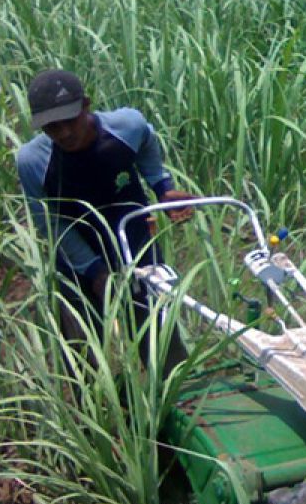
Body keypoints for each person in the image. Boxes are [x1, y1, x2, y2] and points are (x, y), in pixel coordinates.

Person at [16, 68, 190, 372]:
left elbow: (147, 141)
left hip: (134, 243)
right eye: (52, 127)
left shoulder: (127, 126)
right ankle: (95, 412)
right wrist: (94, 270)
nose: (64, 133)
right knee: (82, 354)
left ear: (86, 104)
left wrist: (162, 187)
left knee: (160, 337)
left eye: (70, 121)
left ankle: (175, 401)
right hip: (76, 256)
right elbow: (51, 224)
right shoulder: (32, 161)